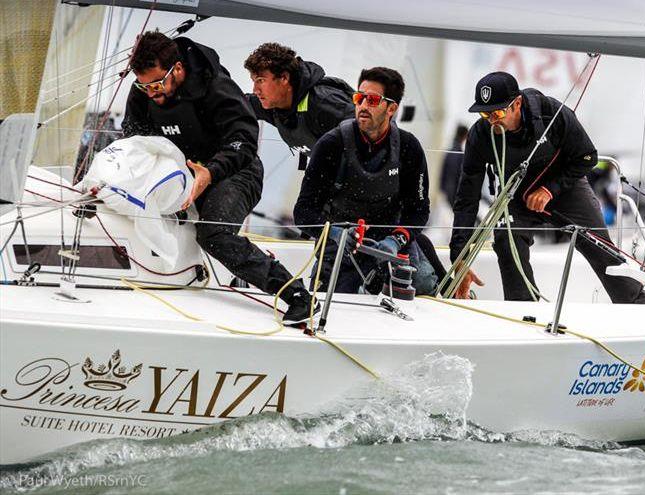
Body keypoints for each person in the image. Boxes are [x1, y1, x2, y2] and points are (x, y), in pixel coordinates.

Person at [121, 31, 318, 326]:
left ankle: (295, 294)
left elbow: (245, 139)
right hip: (180, 175)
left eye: (158, 84)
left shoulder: (215, 86)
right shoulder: (145, 88)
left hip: (235, 171)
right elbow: (134, 135)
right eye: (144, 86)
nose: (151, 93)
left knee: (213, 234)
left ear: (177, 68)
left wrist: (210, 171)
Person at [449, 71, 645, 303]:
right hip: (516, 196)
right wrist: (459, 258)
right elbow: (467, 196)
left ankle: (638, 305)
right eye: (485, 114)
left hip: (566, 188)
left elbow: (587, 157)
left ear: (516, 104)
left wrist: (550, 190)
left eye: (497, 112)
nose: (492, 120)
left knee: (600, 248)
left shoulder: (552, 114)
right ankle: (524, 312)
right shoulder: (481, 135)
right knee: (507, 242)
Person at [293, 67, 437, 294]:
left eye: (372, 100)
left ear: (392, 108)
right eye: (359, 98)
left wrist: (396, 240)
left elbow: (418, 211)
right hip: (340, 246)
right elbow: (303, 212)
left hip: (388, 245)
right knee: (328, 305)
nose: (362, 106)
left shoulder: (409, 148)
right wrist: (335, 233)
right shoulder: (331, 144)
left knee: (426, 286)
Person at [243, 42, 354, 170]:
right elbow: (236, 104)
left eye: (261, 81)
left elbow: (371, 136)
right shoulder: (274, 104)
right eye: (254, 82)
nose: (255, 90)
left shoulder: (325, 103)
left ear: (284, 78)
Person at [439, 124, 469, 208]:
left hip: (447, 192)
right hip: (453, 194)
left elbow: (443, 173)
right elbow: (456, 175)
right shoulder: (459, 154)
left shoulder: (450, 152)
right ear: (465, 136)